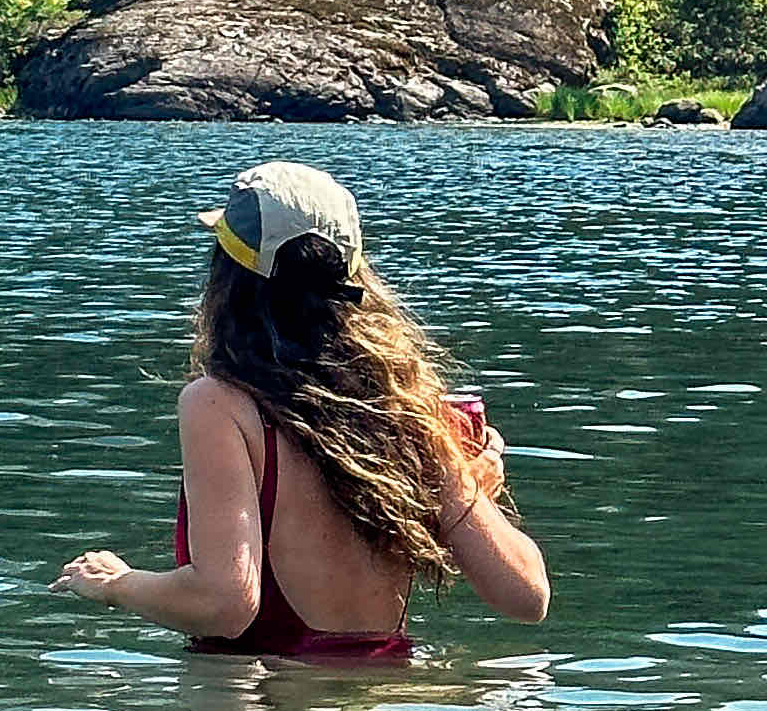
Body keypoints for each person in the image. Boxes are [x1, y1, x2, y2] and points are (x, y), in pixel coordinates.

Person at [53, 161, 549, 659]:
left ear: (228, 278)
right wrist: (462, 485)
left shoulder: (218, 404)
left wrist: (117, 583)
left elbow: (224, 603)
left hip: (267, 698)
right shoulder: (403, 407)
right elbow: (528, 596)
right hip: (395, 697)